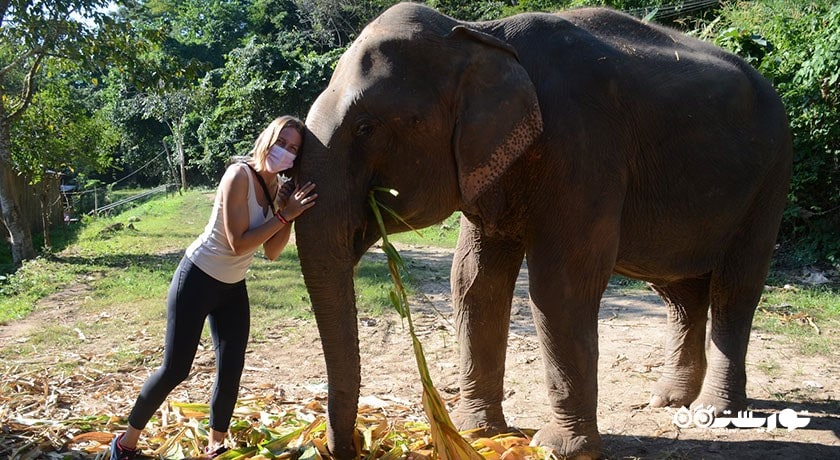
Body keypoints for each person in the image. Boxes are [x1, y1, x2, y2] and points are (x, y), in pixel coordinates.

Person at [110, 115, 317, 460]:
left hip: (232, 287)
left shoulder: (276, 189)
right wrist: (283, 216)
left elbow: (272, 251)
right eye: (281, 142)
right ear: (267, 138)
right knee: (176, 368)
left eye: (293, 149)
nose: (285, 152)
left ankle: (215, 447)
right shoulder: (239, 175)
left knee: (231, 368)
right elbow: (238, 243)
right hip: (197, 277)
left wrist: (286, 211)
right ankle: (125, 444)